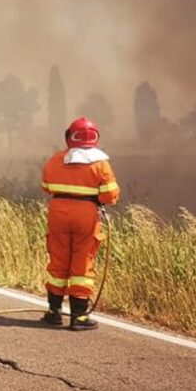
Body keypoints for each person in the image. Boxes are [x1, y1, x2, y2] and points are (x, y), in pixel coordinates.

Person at [40, 117, 120, 330]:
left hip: (58, 211)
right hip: (85, 214)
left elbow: (46, 187)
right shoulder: (101, 164)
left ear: (69, 137)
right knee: (82, 261)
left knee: (58, 258)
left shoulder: (55, 160)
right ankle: (79, 316)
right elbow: (110, 196)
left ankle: (53, 312)